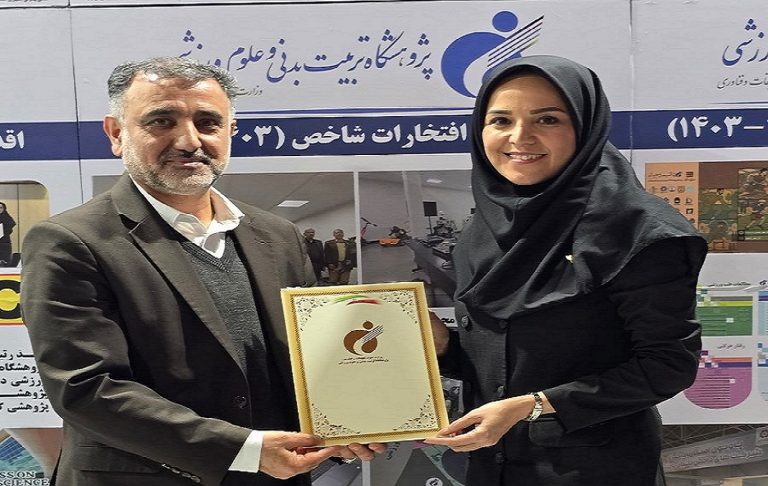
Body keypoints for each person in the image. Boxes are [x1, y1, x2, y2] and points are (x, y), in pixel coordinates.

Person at [20, 57, 382, 486]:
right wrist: (243, 450)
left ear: (230, 132)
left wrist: (349, 420)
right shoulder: (69, 241)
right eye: (161, 121)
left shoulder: (277, 235)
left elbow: (311, 356)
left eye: (208, 122)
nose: (189, 140)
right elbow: (86, 389)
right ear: (116, 133)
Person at [424, 55, 707, 485]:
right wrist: (446, 347)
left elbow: (667, 365)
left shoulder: (637, 231)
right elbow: (510, 358)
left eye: (548, 119)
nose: (520, 137)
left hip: (595, 471)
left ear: (585, 126)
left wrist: (532, 406)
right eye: (500, 120)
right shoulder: (486, 229)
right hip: (494, 466)